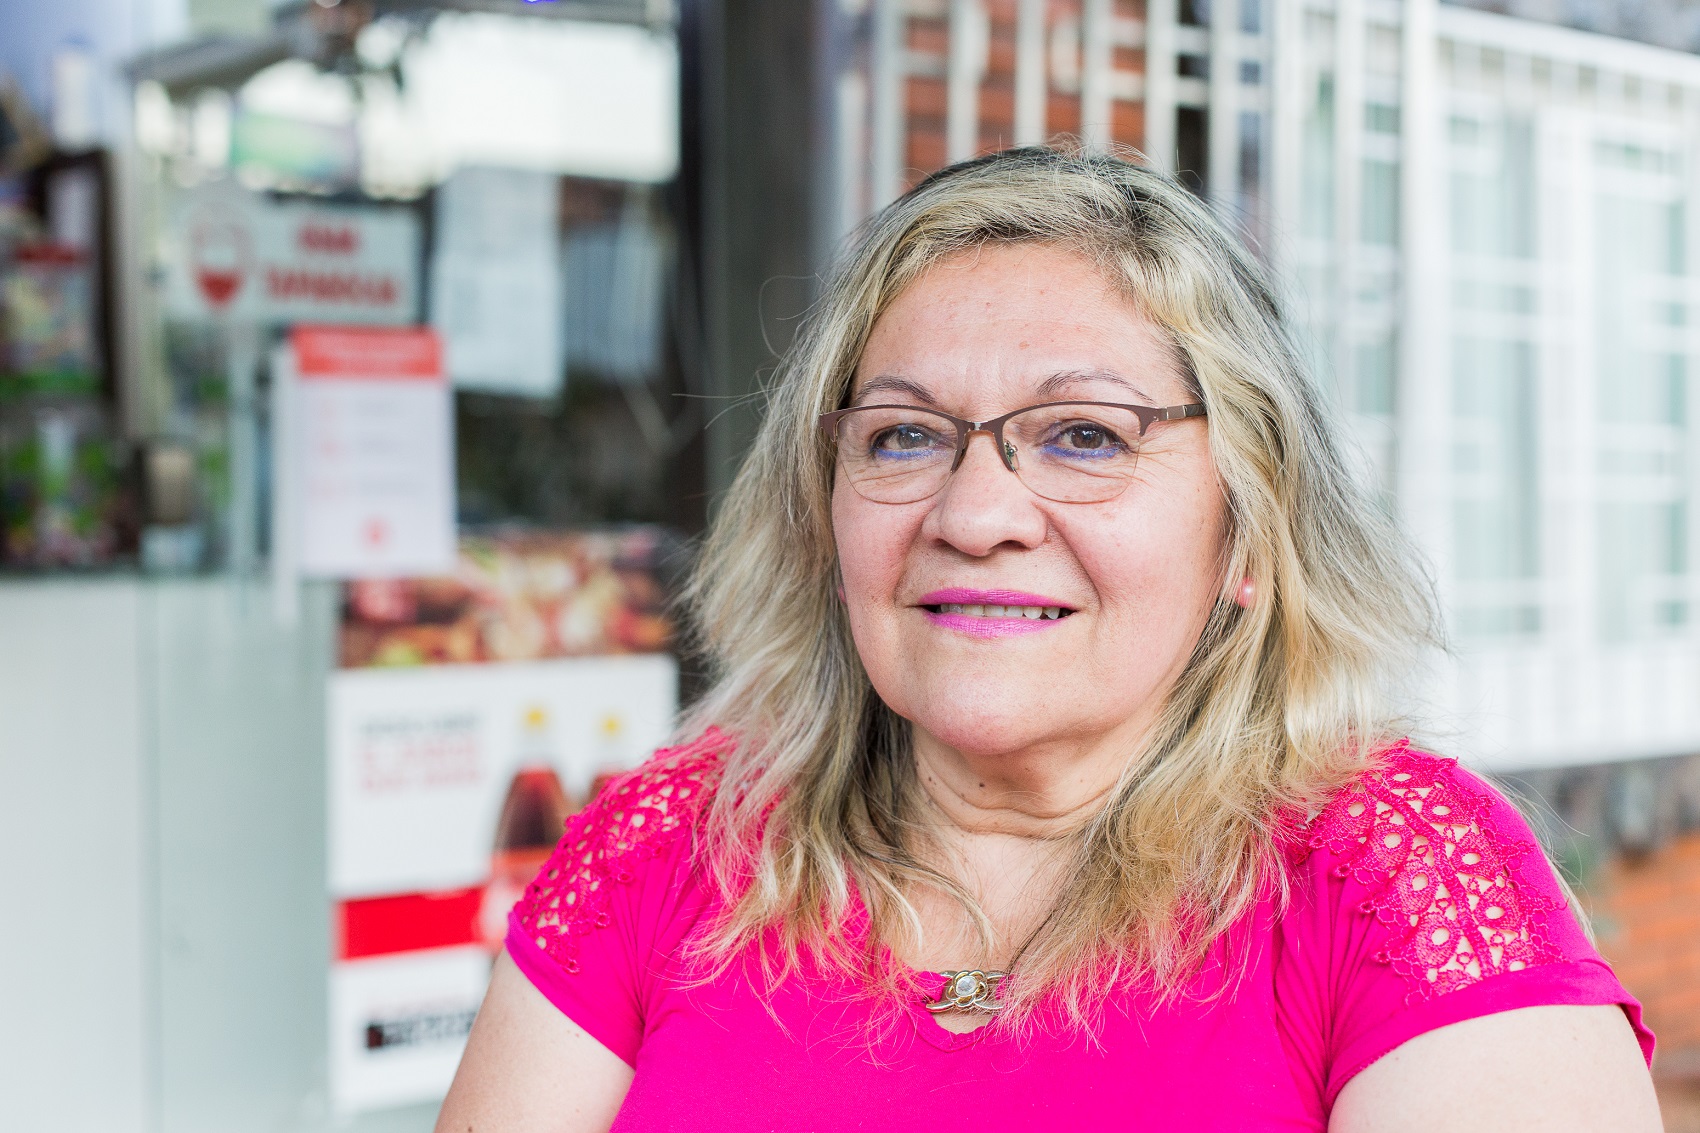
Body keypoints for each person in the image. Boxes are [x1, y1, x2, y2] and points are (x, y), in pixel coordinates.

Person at [437, 148, 1660, 1132]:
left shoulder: (1396, 879)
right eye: (904, 437)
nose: (972, 515)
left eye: (1084, 434)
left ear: (1247, 533)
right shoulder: (672, 844)